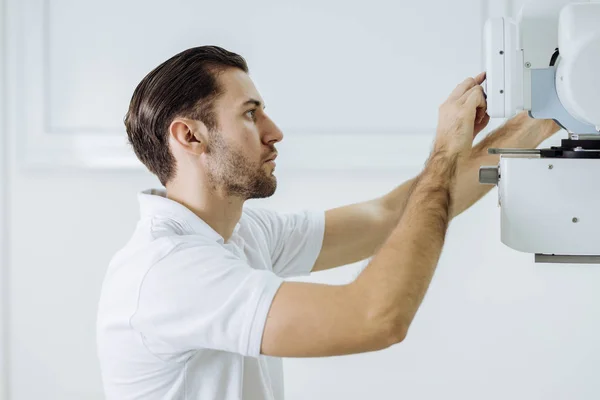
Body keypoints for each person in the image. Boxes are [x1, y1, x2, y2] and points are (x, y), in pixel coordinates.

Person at [96, 45, 559, 399]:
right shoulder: (169, 272)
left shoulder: (241, 234)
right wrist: (442, 154)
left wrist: (551, 111)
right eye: (250, 114)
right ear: (191, 135)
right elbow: (375, 317)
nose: (275, 131)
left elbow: (389, 216)